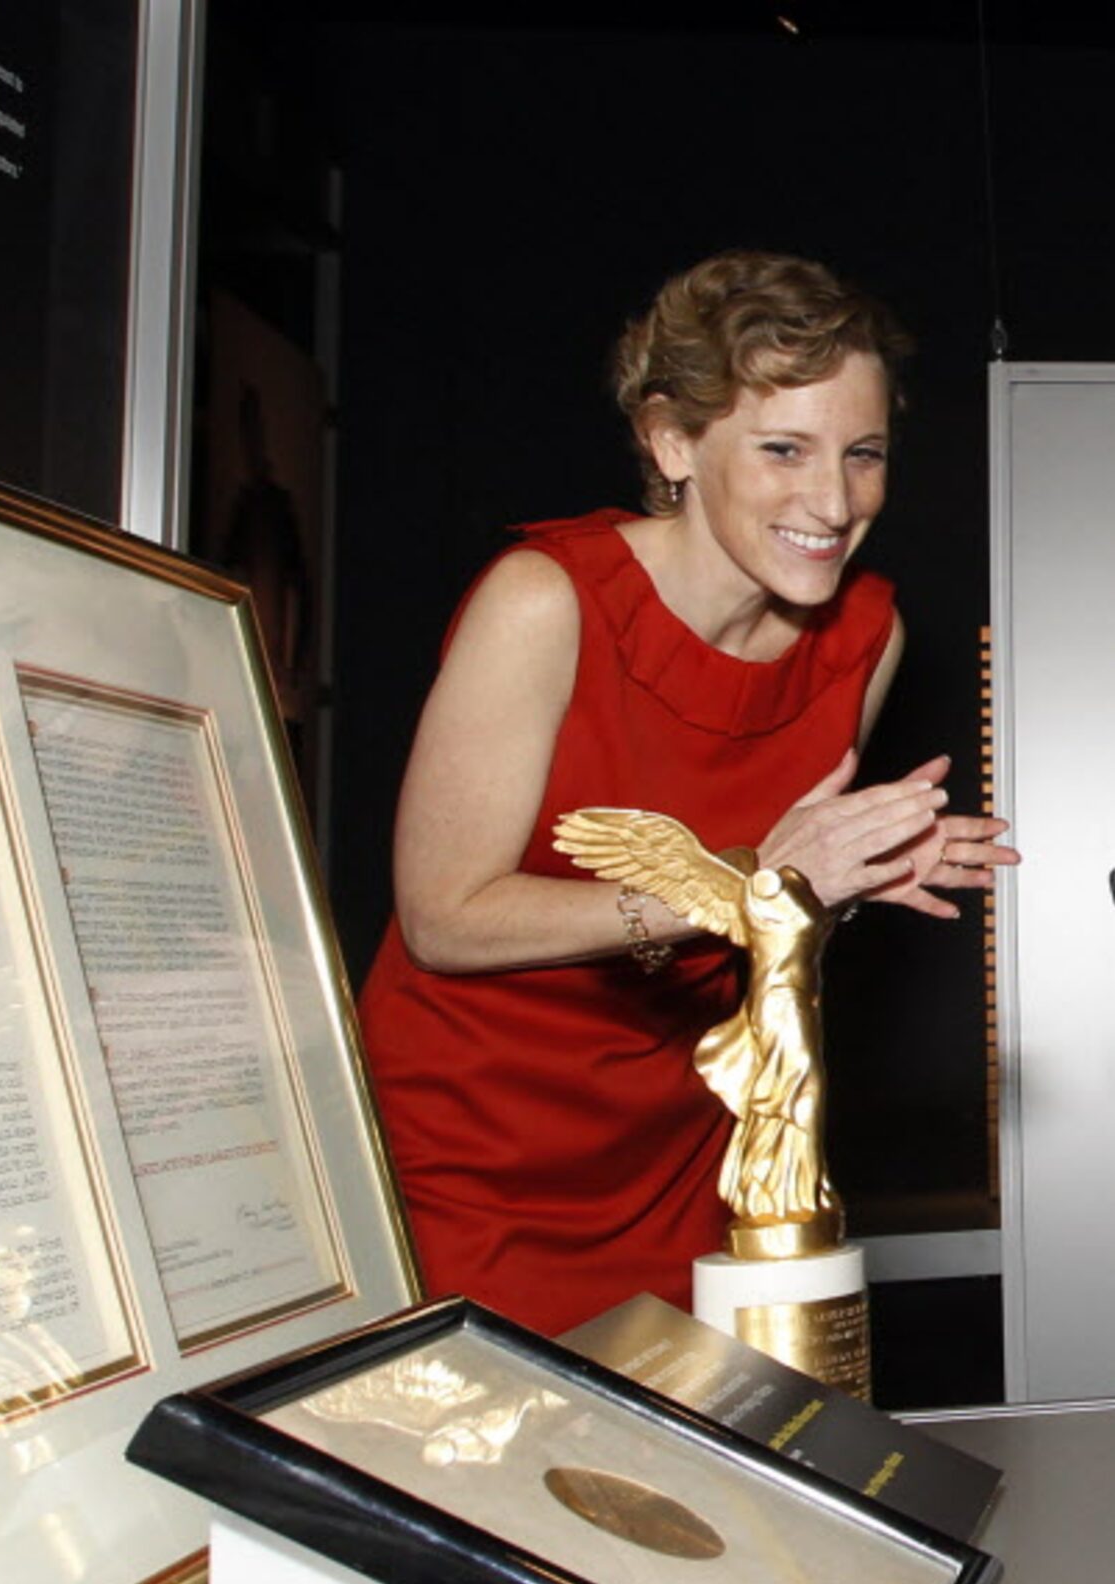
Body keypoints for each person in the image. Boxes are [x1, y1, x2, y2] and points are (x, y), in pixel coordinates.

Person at [357, 251, 1016, 1336]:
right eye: (782, 450)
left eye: (862, 455)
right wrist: (758, 883)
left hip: (679, 1161)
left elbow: (771, 928)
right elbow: (442, 919)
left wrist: (834, 890)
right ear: (672, 442)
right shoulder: (547, 602)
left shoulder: (865, 636)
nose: (832, 500)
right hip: (467, 1163)